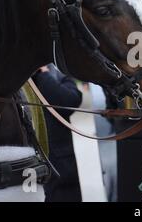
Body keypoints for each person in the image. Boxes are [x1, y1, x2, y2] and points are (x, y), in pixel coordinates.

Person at [32, 64, 83, 202]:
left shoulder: (54, 71)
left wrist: (43, 75)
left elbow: (71, 99)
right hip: (30, 163)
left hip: (61, 163)